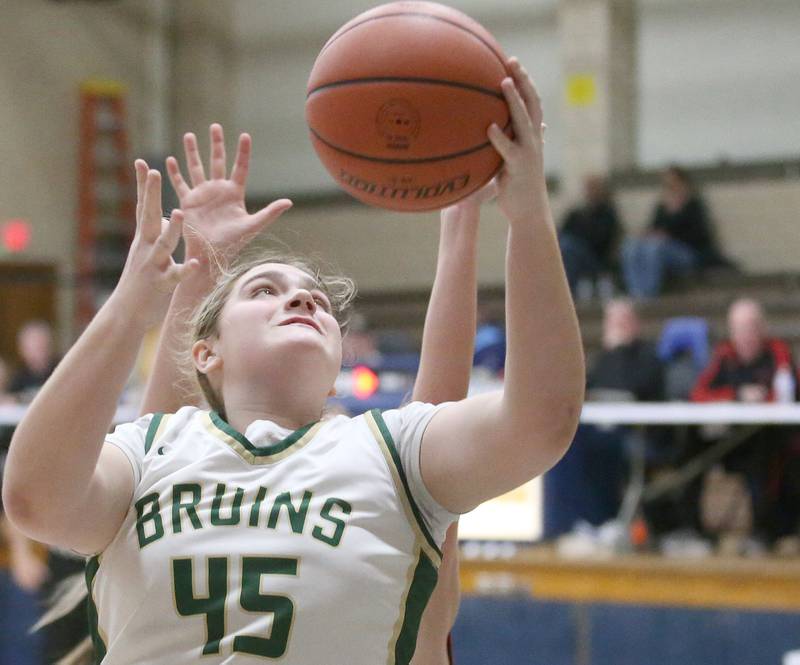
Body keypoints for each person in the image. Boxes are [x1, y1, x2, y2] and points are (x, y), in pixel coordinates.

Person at [3, 59, 584, 664]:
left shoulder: (392, 453)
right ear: (207, 352)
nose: (302, 297)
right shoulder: (154, 450)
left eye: (318, 299)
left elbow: (542, 419)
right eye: (264, 290)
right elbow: (34, 498)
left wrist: (525, 213)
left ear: (337, 354)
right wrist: (131, 306)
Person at [545, 299, 663, 536]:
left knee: (606, 450)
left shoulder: (648, 357)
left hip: (637, 432)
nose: (617, 327)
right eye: (613, 322)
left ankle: (607, 518)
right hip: (600, 429)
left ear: (635, 324)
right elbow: (589, 390)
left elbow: (635, 389)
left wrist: (619, 352)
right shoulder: (602, 359)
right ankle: (578, 521)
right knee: (566, 446)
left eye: (622, 321)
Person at [691, 298, 799, 544]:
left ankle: (767, 531)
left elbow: (788, 393)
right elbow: (699, 394)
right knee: (691, 449)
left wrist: (764, 399)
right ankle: (689, 529)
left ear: (763, 328)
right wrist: (737, 395)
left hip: (775, 440)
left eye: (751, 327)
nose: (746, 334)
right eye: (739, 328)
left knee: (764, 452)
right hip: (733, 440)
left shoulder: (778, 352)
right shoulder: (724, 355)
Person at [622, 165, 724, 299]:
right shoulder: (662, 206)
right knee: (631, 245)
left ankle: (649, 294)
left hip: (687, 251)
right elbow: (654, 227)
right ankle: (636, 292)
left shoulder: (693, 205)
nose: (671, 186)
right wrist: (646, 234)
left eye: (673, 182)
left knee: (654, 249)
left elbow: (699, 235)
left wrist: (670, 237)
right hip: (663, 246)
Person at [558, 175, 620, 299]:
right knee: (563, 246)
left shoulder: (607, 213)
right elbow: (561, 232)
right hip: (574, 254)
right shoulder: (576, 213)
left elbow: (602, 240)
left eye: (593, 188)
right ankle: (564, 288)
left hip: (595, 258)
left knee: (568, 247)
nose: (590, 192)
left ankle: (567, 290)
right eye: (588, 188)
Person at [9, 320, 59, 401]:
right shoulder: (18, 377)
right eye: (32, 347)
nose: (37, 351)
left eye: (40, 345)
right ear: (22, 350)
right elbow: (11, 399)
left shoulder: (61, 369)